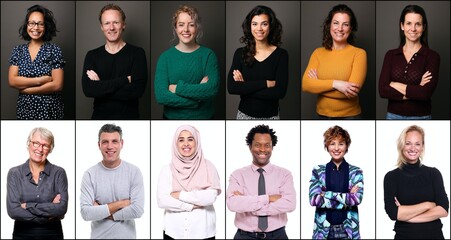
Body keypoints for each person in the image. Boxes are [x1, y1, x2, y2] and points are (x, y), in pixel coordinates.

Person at [226, 124, 296, 239]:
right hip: (245, 236)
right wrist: (268, 198)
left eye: (267, 145)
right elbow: (232, 204)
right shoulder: (237, 175)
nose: (262, 149)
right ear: (250, 147)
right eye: (257, 145)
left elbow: (290, 204)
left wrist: (249, 205)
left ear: (272, 147)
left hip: (277, 236)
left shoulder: (285, 174)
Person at [81, 4, 148, 119]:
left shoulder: (137, 53)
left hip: (130, 120)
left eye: (116, 22)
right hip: (99, 119)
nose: (111, 27)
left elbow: (137, 91)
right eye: (107, 23)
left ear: (123, 25)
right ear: (101, 27)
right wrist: (125, 80)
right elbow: (88, 90)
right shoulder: (92, 55)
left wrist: (100, 86)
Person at [154, 5, 220, 119]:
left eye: (191, 24)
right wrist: (197, 99)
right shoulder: (165, 58)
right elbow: (161, 96)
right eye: (181, 24)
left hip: (205, 120)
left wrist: (177, 89)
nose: (186, 29)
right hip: (171, 120)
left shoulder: (208, 55)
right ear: (175, 28)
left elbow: (212, 88)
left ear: (197, 27)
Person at [302, 4, 367, 119]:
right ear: (329, 25)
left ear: (350, 28)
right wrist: (337, 84)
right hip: (320, 116)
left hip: (350, 117)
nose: (340, 28)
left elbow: (351, 92)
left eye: (345, 24)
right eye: (336, 23)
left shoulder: (359, 54)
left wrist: (318, 85)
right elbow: (306, 85)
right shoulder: (318, 53)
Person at [80, 123, 144, 239]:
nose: (110, 146)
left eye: (114, 141)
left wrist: (102, 210)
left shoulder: (134, 172)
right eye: (105, 142)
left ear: (121, 144)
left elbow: (137, 210)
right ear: (99, 145)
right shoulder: (89, 174)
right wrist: (121, 203)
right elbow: (86, 213)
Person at [383, 125, 449, 239]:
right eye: (408, 143)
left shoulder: (433, 174)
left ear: (422, 147)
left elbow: (443, 210)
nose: (413, 148)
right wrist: (428, 205)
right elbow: (393, 213)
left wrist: (406, 215)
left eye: (417, 144)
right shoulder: (391, 177)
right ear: (401, 145)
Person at [157, 125, 221, 239]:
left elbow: (210, 197)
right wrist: (191, 206)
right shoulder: (167, 169)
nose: (186, 144)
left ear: (197, 142)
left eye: (190, 139)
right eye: (181, 140)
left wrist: (179, 195)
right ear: (176, 144)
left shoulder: (209, 166)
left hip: (203, 232)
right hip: (173, 233)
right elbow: (163, 201)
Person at [378, 5, 439, 120]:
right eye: (409, 23)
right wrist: (416, 89)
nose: (413, 28)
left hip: (422, 117)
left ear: (424, 27)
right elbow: (383, 90)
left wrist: (396, 85)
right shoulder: (390, 55)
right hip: (392, 116)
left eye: (418, 24)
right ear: (402, 26)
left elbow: (425, 93)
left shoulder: (432, 56)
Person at [227, 5, 288, 120]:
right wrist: (266, 83)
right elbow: (232, 88)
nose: (259, 28)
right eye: (255, 24)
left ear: (271, 26)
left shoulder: (281, 55)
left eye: (264, 24)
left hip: (271, 117)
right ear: (249, 26)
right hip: (243, 116)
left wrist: (245, 87)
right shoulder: (240, 53)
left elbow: (280, 92)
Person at [6, 127, 68, 239]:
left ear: (50, 149)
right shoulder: (14, 173)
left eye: (45, 145)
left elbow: (61, 208)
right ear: (28, 144)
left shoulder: (58, 173)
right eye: (36, 143)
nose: (40, 149)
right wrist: (48, 214)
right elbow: (13, 210)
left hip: (52, 235)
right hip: (22, 235)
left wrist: (28, 206)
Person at [8, 5, 65, 120]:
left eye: (40, 23)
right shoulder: (18, 50)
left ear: (46, 26)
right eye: (32, 23)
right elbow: (12, 81)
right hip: (25, 109)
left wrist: (29, 90)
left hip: (49, 109)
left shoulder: (54, 50)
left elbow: (57, 85)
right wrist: (39, 80)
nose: (35, 27)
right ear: (27, 25)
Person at [309, 125, 364, 239]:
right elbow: (314, 200)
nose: (336, 148)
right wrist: (347, 198)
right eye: (332, 143)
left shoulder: (356, 172)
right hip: (323, 232)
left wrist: (327, 194)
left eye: (341, 143)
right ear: (327, 146)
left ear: (346, 146)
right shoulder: (318, 171)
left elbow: (357, 199)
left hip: (347, 230)